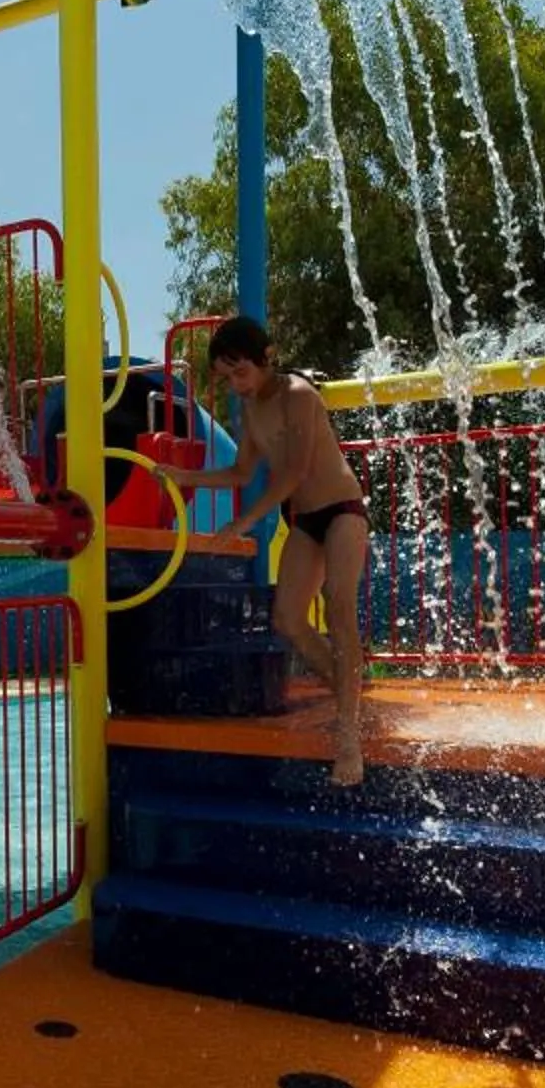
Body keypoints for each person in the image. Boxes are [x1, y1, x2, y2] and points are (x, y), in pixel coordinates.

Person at [172, 316, 370, 784]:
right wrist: (185, 477)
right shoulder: (248, 411)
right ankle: (350, 696)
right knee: (287, 619)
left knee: (338, 603)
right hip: (304, 519)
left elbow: (294, 473)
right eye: (226, 377)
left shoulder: (299, 395)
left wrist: (243, 521)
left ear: (266, 359)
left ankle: (348, 737)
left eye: (240, 373)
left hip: (341, 509)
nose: (235, 385)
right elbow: (241, 472)